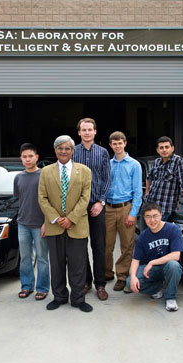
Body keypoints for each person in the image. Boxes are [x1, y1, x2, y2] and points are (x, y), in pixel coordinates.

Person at [38, 135, 93, 312]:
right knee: (57, 264)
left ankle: (78, 299)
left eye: (67, 148)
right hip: (54, 226)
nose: (63, 151)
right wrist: (55, 218)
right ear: (55, 151)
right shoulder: (45, 172)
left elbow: (85, 198)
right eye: (60, 148)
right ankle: (59, 297)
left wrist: (71, 218)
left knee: (78, 265)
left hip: (77, 225)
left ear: (73, 150)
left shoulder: (84, 171)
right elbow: (42, 198)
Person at [72, 117, 111, 300]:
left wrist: (100, 202)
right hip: (78, 208)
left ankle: (100, 284)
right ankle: (86, 281)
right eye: (84, 130)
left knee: (99, 246)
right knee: (80, 246)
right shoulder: (73, 152)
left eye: (90, 129)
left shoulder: (103, 153)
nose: (87, 132)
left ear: (95, 132)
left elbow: (107, 179)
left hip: (97, 205)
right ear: (79, 132)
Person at [126, 202, 183, 312]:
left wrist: (152, 262)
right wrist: (133, 275)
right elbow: (135, 260)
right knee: (130, 283)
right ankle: (156, 288)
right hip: (152, 271)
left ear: (161, 215)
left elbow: (176, 255)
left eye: (155, 216)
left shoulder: (173, 229)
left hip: (168, 266)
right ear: (144, 218)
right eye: (148, 217)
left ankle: (170, 297)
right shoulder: (143, 237)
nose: (152, 220)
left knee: (173, 265)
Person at [105, 131, 142, 292]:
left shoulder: (134, 164)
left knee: (127, 244)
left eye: (120, 143)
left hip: (126, 207)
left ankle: (122, 276)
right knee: (106, 244)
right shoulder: (107, 163)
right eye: (114, 143)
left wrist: (133, 213)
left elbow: (138, 192)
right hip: (108, 208)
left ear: (125, 143)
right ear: (111, 145)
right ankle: (107, 273)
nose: (117, 146)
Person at [14, 143, 50, 301]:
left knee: (42, 258)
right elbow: (18, 199)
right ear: (21, 159)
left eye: (30, 156)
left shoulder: (44, 175)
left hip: (40, 224)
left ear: (36, 157)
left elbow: (51, 200)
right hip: (23, 224)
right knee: (25, 257)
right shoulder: (18, 177)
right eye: (24, 157)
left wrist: (47, 222)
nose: (27, 159)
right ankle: (27, 286)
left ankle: (42, 288)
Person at [145, 136, 183, 221]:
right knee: (146, 233)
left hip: (164, 209)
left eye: (167, 147)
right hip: (149, 206)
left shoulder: (179, 162)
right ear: (158, 150)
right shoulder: (156, 162)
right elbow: (149, 178)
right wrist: (147, 192)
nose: (164, 150)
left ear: (172, 148)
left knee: (159, 234)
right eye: (161, 148)